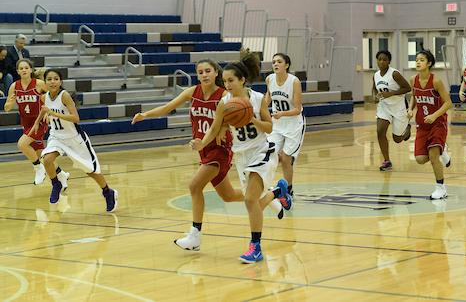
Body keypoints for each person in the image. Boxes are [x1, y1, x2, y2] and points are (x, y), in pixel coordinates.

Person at [131, 59, 283, 251]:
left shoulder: (229, 96)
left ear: (216, 73)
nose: (204, 75)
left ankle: (195, 235)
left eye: (208, 71)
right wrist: (145, 115)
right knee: (229, 196)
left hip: (221, 149)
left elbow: (236, 119)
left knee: (195, 186)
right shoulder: (196, 93)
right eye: (200, 71)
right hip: (207, 149)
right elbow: (170, 107)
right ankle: (273, 195)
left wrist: (227, 127)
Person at [190, 53, 293, 263]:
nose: (227, 85)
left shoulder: (256, 99)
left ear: (242, 80)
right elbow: (214, 128)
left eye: (231, 80)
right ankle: (276, 192)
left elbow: (270, 127)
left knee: (249, 200)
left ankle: (255, 247)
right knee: (253, 201)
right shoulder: (224, 103)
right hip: (242, 155)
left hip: (262, 150)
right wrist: (203, 142)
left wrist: (252, 119)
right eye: (225, 81)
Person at [31, 69, 117, 211]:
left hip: (74, 139)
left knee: (91, 171)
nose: (53, 81)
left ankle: (108, 192)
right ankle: (56, 184)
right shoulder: (44, 97)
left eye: (56, 79)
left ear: (60, 81)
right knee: (46, 159)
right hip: (56, 137)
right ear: (45, 82)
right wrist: (37, 122)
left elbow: (76, 118)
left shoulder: (64, 96)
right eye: (49, 79)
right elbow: (44, 108)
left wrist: (53, 114)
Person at [3, 59, 68, 186]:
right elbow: (7, 108)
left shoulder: (39, 84)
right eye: (21, 68)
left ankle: (38, 168)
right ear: (17, 71)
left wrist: (49, 113)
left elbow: (53, 95)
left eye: (26, 68)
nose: (24, 70)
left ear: (31, 70)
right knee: (40, 154)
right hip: (26, 122)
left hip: (39, 121)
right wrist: (10, 102)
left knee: (22, 144)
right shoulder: (14, 86)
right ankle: (61, 174)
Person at [407, 50, 452, 200]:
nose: (418, 62)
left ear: (429, 63)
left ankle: (441, 188)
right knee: (420, 159)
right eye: (416, 60)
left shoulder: (436, 81)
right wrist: (410, 109)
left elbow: (448, 103)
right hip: (422, 124)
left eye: (421, 60)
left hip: (437, 123)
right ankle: (442, 149)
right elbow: (413, 95)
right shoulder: (413, 80)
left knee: (433, 156)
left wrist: (434, 115)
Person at [264, 53, 305, 196]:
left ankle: (289, 190)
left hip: (294, 123)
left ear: (286, 65)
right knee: (270, 153)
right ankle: (265, 186)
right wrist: (259, 110)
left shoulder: (294, 81)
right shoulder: (269, 79)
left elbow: (297, 109)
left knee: (286, 158)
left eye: (279, 62)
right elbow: (267, 98)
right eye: (274, 62)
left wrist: (281, 114)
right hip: (277, 124)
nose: (275, 64)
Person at [372, 50, 412, 171]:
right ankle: (387, 161)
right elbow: (374, 88)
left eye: (384, 59)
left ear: (389, 61)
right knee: (380, 131)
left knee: (397, 139)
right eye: (379, 59)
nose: (382, 62)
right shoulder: (376, 75)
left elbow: (407, 88)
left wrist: (391, 93)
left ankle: (407, 130)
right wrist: (375, 96)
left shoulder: (395, 74)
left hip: (398, 107)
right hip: (384, 107)